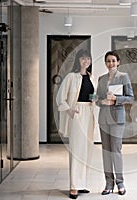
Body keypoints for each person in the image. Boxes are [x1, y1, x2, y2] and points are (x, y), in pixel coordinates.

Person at [56, 49, 95, 199]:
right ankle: (73, 186)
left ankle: (82, 184)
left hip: (89, 114)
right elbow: (61, 98)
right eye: (83, 58)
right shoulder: (71, 77)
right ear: (78, 60)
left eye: (88, 58)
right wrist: (69, 110)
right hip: (77, 114)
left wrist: (97, 99)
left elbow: (93, 94)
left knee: (87, 150)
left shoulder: (92, 77)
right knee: (77, 150)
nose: (86, 61)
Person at [96, 50, 134, 196]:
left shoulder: (124, 77)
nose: (110, 63)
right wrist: (102, 101)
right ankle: (108, 183)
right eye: (108, 61)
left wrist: (116, 100)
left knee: (116, 151)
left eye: (113, 60)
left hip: (117, 120)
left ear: (118, 62)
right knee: (106, 152)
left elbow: (130, 98)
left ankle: (120, 182)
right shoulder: (101, 79)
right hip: (104, 119)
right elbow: (97, 99)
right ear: (105, 63)